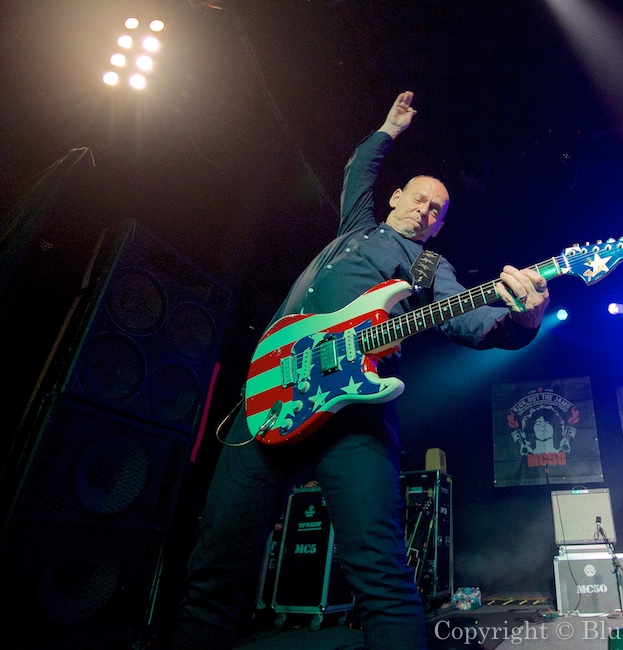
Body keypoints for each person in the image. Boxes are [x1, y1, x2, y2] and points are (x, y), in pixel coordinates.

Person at [172, 91, 550, 650]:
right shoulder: (355, 228)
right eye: (420, 200)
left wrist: (527, 316)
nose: (426, 212)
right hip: (269, 397)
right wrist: (388, 130)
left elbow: (471, 326)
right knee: (215, 563)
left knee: (381, 573)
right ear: (396, 197)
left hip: (353, 413)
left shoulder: (429, 267)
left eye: (437, 212)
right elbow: (357, 171)